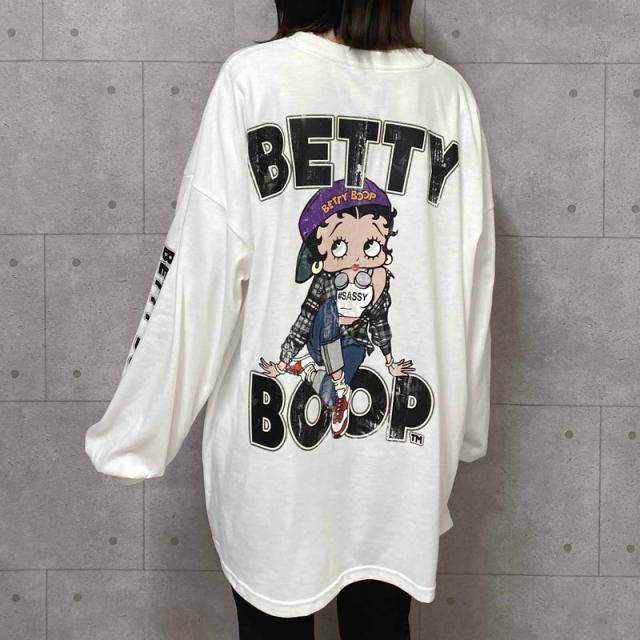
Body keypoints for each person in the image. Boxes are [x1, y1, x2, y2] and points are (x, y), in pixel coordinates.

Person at [84, 1, 496, 638]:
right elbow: (472, 280)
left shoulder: (255, 79)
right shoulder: (447, 95)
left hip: (274, 453)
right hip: (404, 458)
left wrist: (135, 433)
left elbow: (197, 276)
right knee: (382, 626)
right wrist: (463, 427)